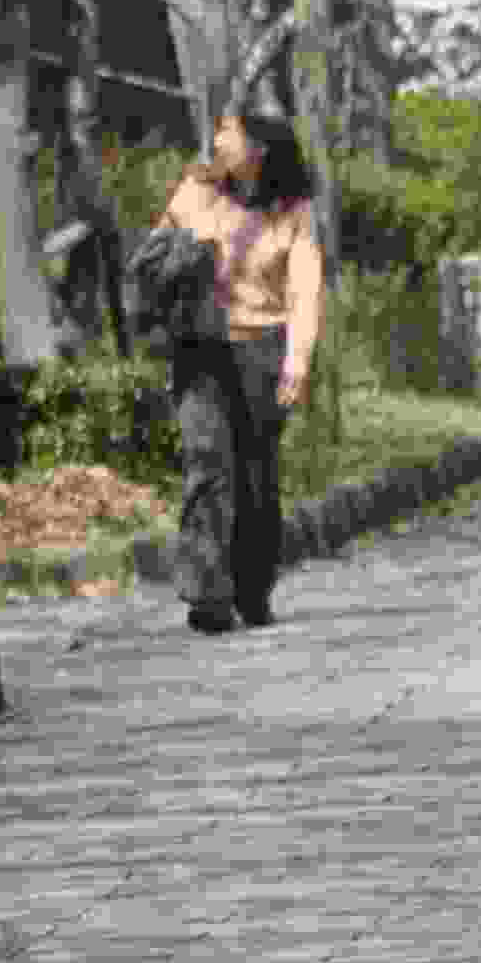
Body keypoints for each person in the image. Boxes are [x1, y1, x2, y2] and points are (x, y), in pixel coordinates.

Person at [153, 107, 327, 635]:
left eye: (228, 132)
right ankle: (207, 593)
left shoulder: (294, 212)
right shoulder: (195, 190)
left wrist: (298, 357)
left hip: (261, 350)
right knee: (206, 463)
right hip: (201, 348)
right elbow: (156, 258)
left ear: (259, 150)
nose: (216, 139)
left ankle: (251, 588)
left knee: (255, 475)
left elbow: (305, 289)